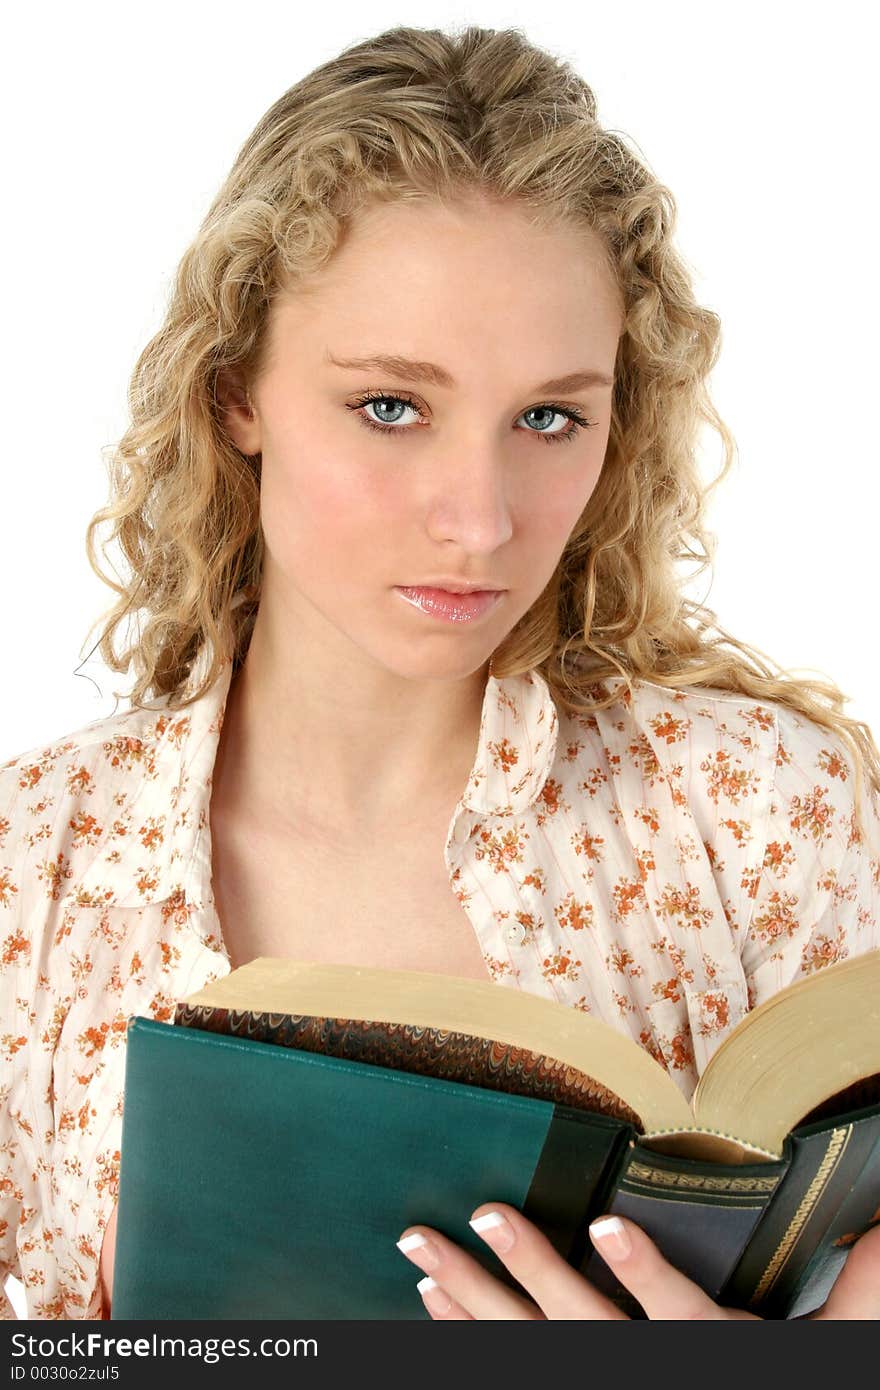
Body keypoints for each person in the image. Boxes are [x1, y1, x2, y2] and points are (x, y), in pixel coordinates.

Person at [2, 23, 878, 1323]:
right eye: (392, 406)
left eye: (548, 418)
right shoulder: (35, 865)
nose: (479, 519)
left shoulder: (770, 813)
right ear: (236, 389)